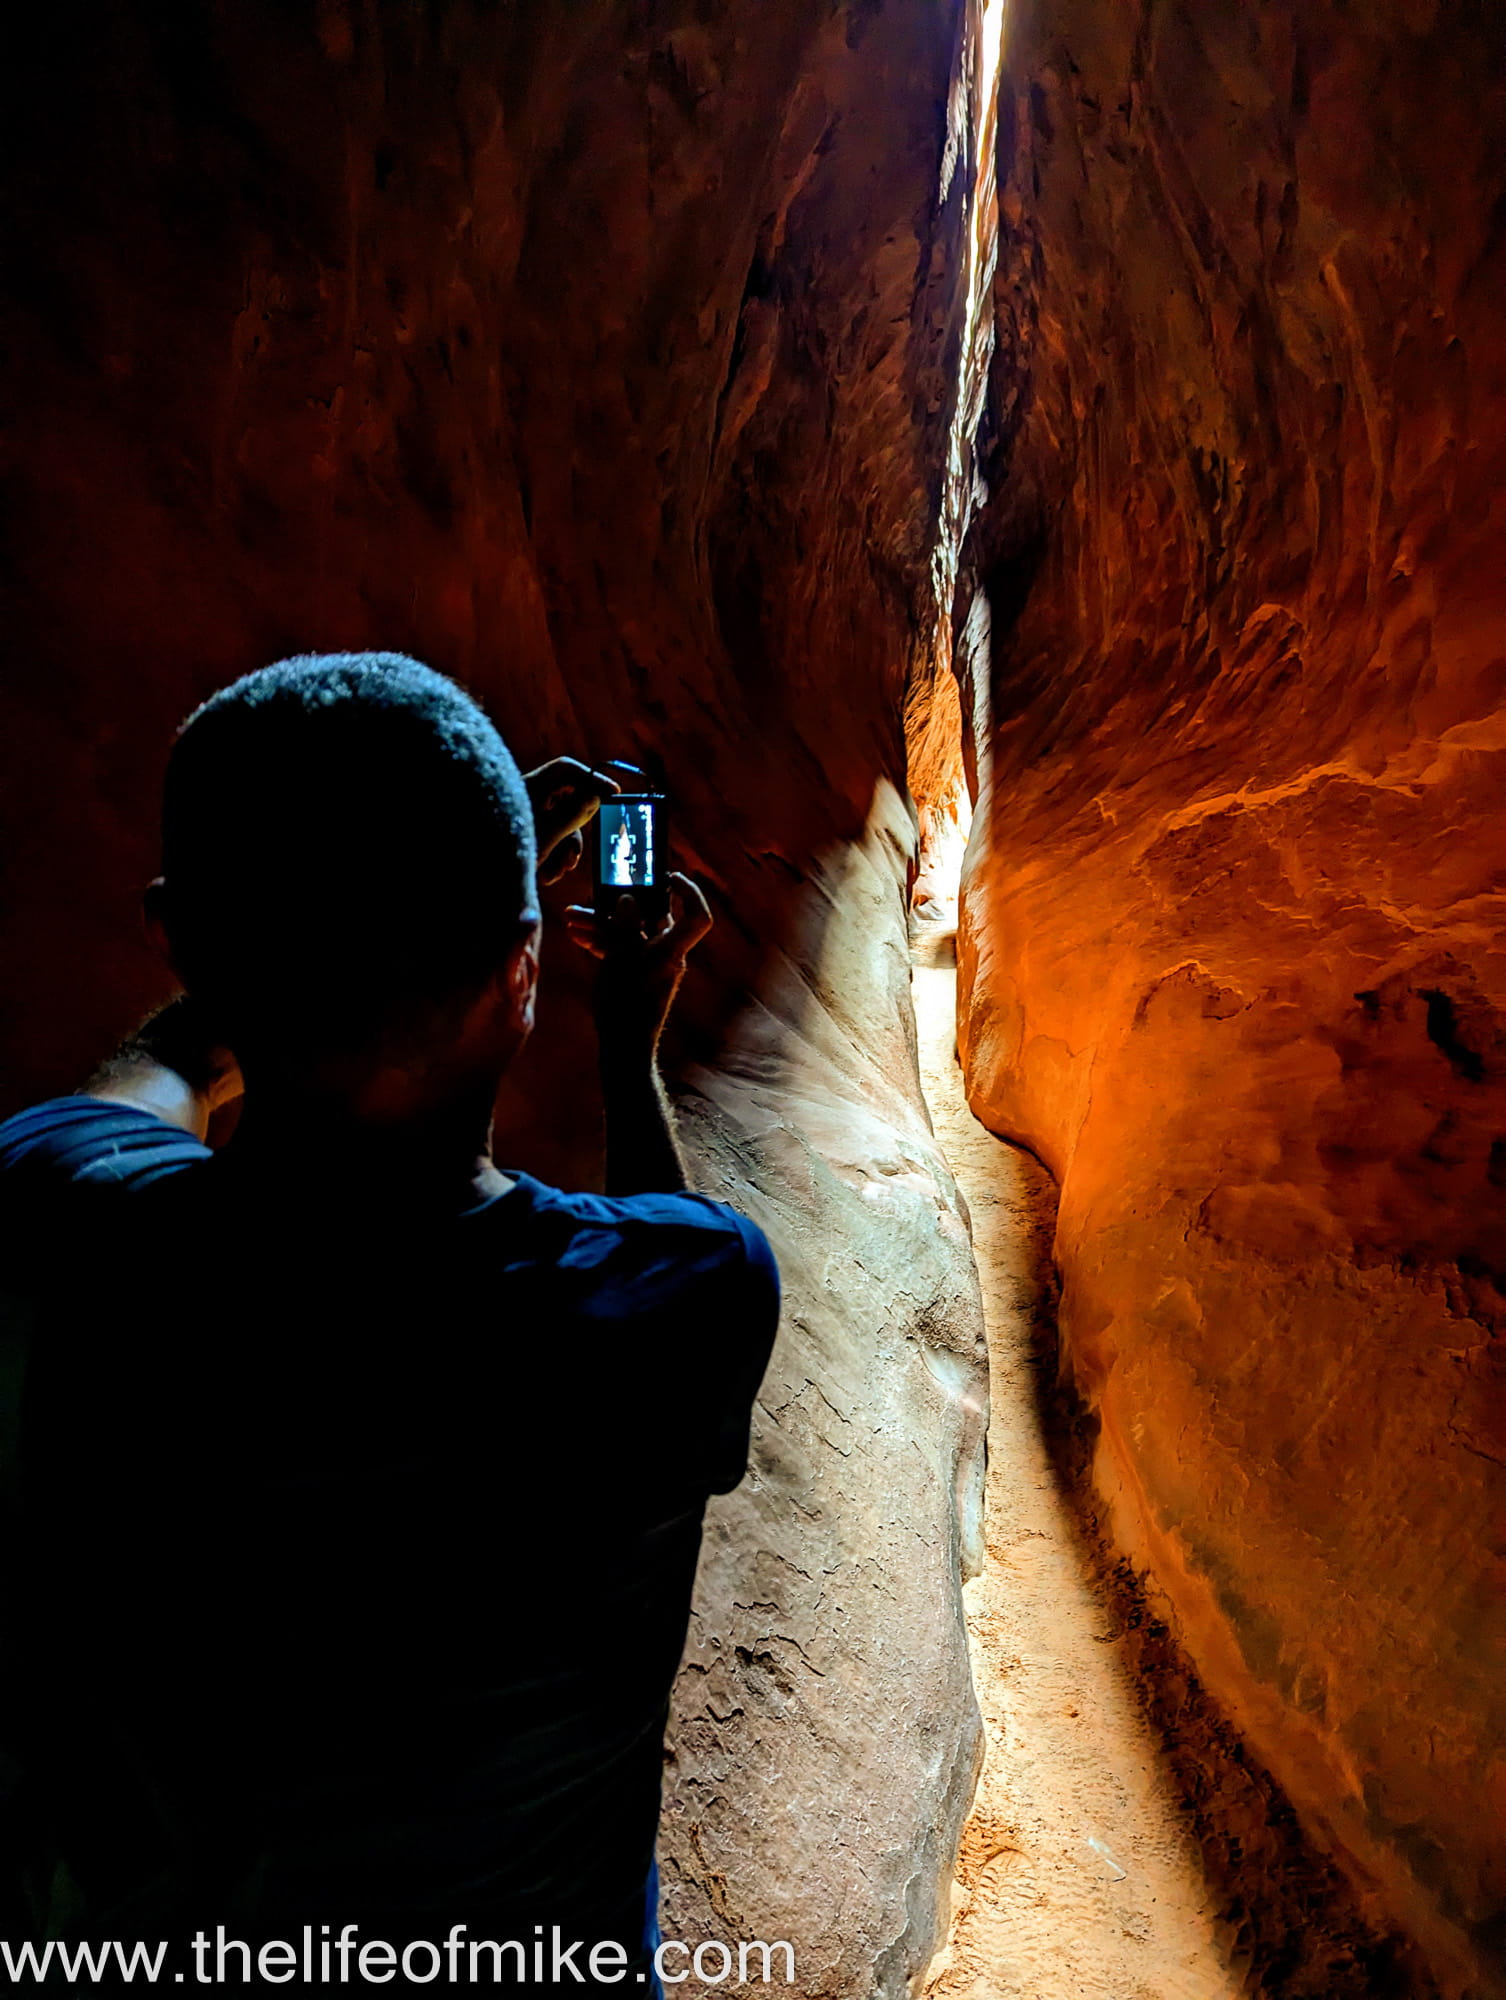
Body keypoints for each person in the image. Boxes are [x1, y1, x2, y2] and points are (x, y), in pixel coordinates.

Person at [0, 653, 779, 1990]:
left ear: (178, 938)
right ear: (522, 971)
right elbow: (662, 1259)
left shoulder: (68, 1221)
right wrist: (624, 1040)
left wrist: (250, 961)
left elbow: (158, 1076)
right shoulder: (686, 1296)